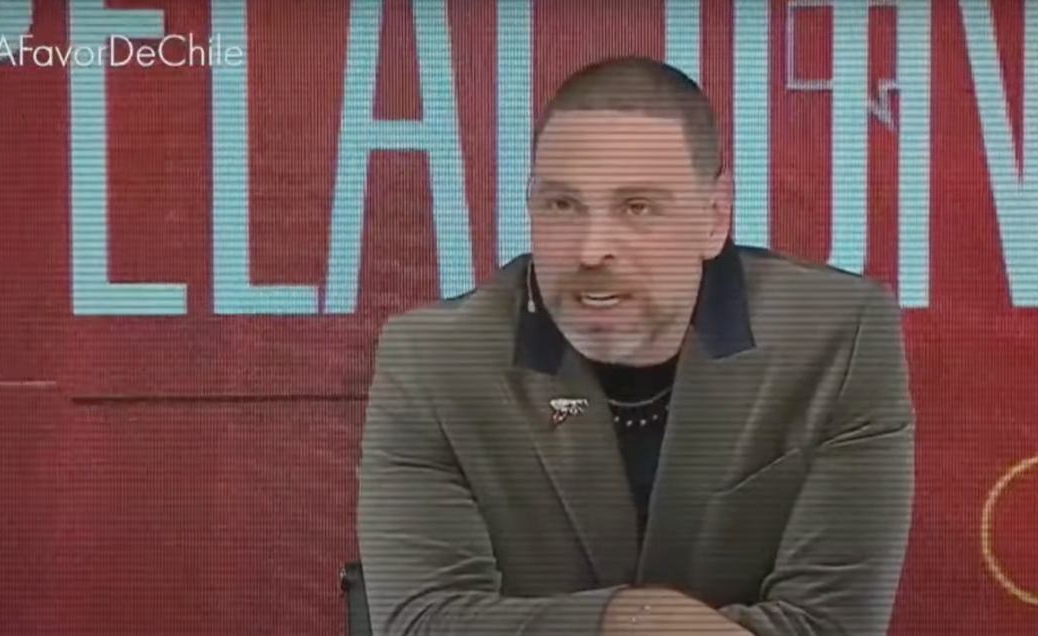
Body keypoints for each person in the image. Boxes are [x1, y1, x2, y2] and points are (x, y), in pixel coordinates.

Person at [356, 56, 915, 636]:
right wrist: (631, 618)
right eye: (562, 205)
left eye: (637, 207)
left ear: (713, 217)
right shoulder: (434, 359)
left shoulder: (836, 335)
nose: (591, 250)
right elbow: (423, 621)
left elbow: (831, 625)